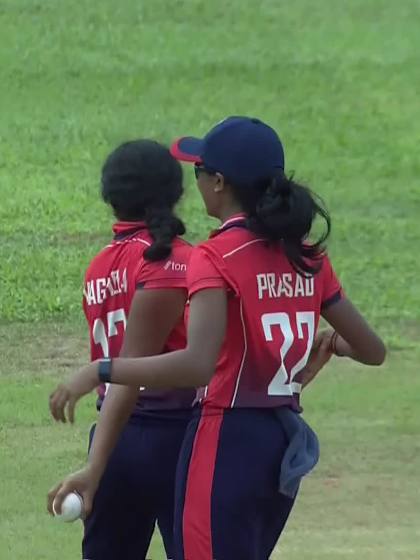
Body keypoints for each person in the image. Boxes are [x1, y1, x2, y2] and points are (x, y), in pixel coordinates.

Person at [48, 117, 386, 560]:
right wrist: (328, 346)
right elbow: (372, 350)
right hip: (281, 445)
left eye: (199, 172)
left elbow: (197, 365)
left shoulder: (215, 255)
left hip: (222, 438)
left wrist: (100, 370)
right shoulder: (306, 256)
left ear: (219, 183)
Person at [49, 139, 195, 560]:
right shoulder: (181, 261)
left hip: (116, 441)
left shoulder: (99, 266)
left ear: (110, 198)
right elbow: (133, 365)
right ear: (176, 194)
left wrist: (99, 460)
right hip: (178, 439)